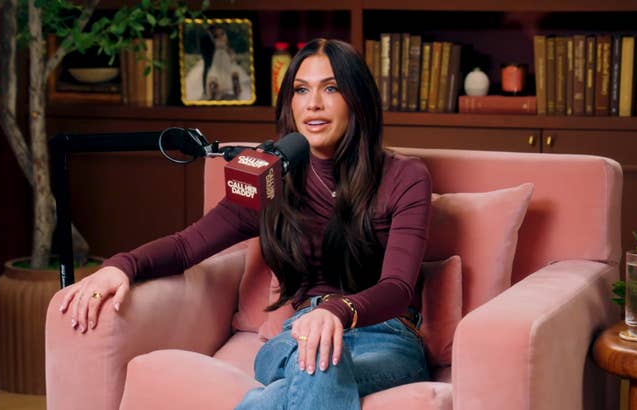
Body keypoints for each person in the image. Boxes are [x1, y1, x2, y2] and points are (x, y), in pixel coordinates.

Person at [59, 38, 432, 409]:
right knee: (316, 360)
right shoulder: (271, 179)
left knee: (301, 379)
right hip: (296, 339)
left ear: (359, 99)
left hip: (387, 338)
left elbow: (398, 286)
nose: (313, 103)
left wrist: (336, 311)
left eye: (331, 88)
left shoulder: (404, 176)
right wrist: (122, 266)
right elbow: (186, 246)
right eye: (301, 90)